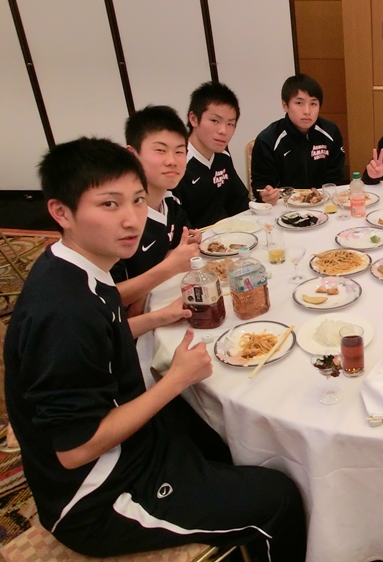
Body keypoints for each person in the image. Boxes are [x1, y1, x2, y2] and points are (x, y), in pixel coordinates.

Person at [4, 138, 306, 561]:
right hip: (99, 496)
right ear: (61, 212)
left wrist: (157, 318)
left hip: (136, 444)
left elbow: (102, 335)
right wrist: (175, 380)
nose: (131, 219)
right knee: (279, 497)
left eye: (136, 200)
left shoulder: (75, 268)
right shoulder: (61, 314)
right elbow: (75, 449)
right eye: (109, 204)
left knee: (228, 434)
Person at [112, 105, 200, 313]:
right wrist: (168, 267)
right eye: (160, 150)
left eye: (179, 152)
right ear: (132, 155)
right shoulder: (118, 219)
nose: (172, 161)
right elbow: (106, 298)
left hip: (166, 302)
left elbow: (178, 247)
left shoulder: (170, 203)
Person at [251, 74, 346, 204]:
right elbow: (260, 184)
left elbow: (336, 178)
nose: (307, 111)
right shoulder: (267, 140)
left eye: (313, 104)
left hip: (324, 203)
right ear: (285, 105)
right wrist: (265, 194)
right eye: (299, 103)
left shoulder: (330, 132)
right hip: (283, 206)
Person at [172, 82, 250, 228]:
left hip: (225, 236)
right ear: (194, 119)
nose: (223, 131)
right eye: (215, 121)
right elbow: (176, 223)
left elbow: (240, 204)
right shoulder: (177, 163)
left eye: (230, 124)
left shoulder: (223, 157)